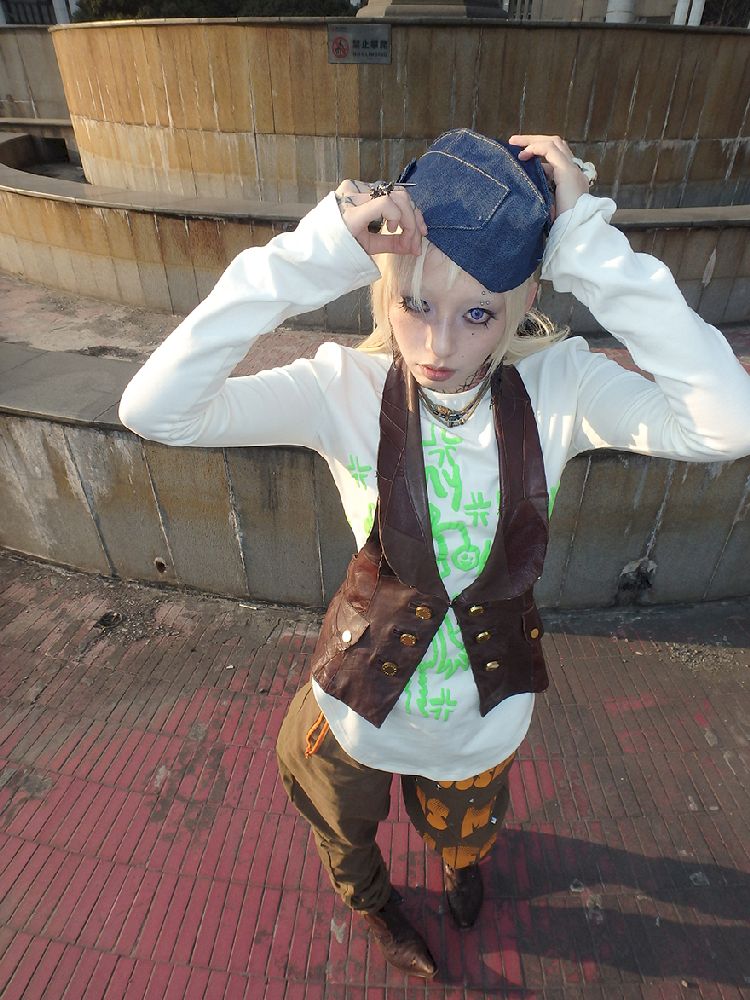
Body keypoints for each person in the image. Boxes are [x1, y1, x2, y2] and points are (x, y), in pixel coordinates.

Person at [118, 131, 750, 980]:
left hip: (478, 723)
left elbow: (728, 422)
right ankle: (373, 903)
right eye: (415, 303)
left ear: (525, 298)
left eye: (477, 313)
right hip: (352, 709)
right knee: (341, 831)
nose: (438, 347)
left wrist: (587, 242)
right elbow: (156, 410)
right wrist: (311, 255)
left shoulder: (560, 389)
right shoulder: (342, 390)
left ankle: (460, 865)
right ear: (384, 284)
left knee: (467, 831)